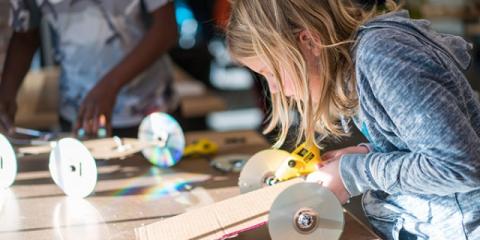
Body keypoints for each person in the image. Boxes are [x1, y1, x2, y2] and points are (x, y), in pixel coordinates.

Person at [226, 0, 480, 239]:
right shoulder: (360, 65)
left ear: (309, 41)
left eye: (270, 72)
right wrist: (365, 154)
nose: (273, 89)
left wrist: (353, 173)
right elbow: (418, 144)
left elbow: (459, 166)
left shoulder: (383, 58)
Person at [0, 0, 178, 138]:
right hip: (78, 111)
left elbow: (166, 30)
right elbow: (25, 35)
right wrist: (6, 95)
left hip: (150, 108)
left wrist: (109, 87)